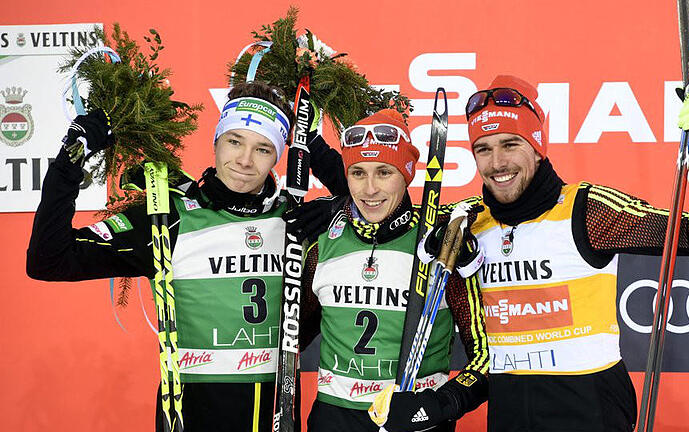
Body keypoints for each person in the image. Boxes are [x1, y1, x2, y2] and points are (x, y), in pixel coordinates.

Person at [27, 81, 313, 431]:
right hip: (191, 417)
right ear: (216, 141)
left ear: (278, 156)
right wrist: (71, 158)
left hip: (275, 417)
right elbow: (48, 259)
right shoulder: (167, 216)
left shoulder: (298, 221)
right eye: (234, 141)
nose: (244, 160)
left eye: (263, 149)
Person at [463, 75, 689, 432]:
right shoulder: (470, 225)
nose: (497, 162)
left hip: (589, 410)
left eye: (510, 144)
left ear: (538, 146)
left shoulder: (587, 210)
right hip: (509, 414)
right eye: (483, 149)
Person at [290, 109, 489, 431]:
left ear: (406, 175)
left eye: (384, 172)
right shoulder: (323, 243)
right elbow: (292, 336)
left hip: (412, 416)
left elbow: (486, 354)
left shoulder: (441, 242)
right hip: (334, 417)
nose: (369, 189)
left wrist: (439, 404)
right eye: (357, 173)